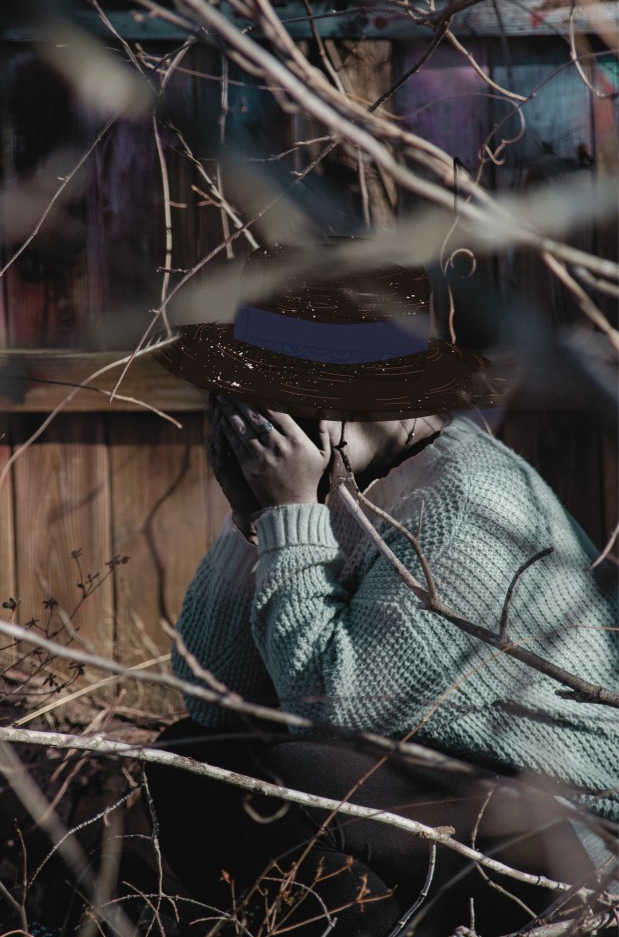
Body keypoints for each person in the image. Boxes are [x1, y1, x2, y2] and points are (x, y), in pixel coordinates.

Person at [149, 244, 618, 936]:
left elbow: (332, 706)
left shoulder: (461, 504)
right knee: (193, 760)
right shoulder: (346, 484)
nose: (266, 432)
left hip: (565, 835)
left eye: (286, 404)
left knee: (292, 777)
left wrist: (287, 516)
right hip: (452, 789)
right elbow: (213, 701)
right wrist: (251, 520)